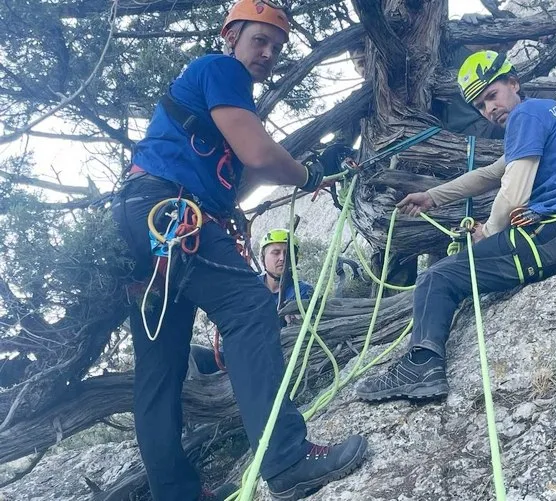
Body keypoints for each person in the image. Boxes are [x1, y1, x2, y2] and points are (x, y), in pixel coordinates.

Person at [110, 1, 367, 500]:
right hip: (171, 212)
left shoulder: (215, 98)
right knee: (251, 307)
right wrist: (310, 173)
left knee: (160, 366)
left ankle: (176, 494)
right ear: (230, 34)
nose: (268, 53)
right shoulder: (220, 69)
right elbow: (260, 154)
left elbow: (242, 180)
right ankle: (288, 459)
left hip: (139, 220)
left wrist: (308, 165)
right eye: (259, 40)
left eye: (276, 47)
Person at [356, 50, 556, 402]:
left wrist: (487, 232)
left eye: (492, 95)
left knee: (437, 276)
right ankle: (422, 362)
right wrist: (432, 196)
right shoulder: (541, 114)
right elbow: (491, 173)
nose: (489, 110)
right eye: (480, 105)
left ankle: (422, 366)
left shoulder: (527, 114)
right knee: (449, 273)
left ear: (514, 83)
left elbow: (513, 192)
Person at [189, 228, 314, 375]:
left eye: (287, 253)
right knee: (192, 353)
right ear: (263, 258)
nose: (282, 258)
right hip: (232, 355)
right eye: (276, 252)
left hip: (269, 359)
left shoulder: (303, 292)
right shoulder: (248, 286)